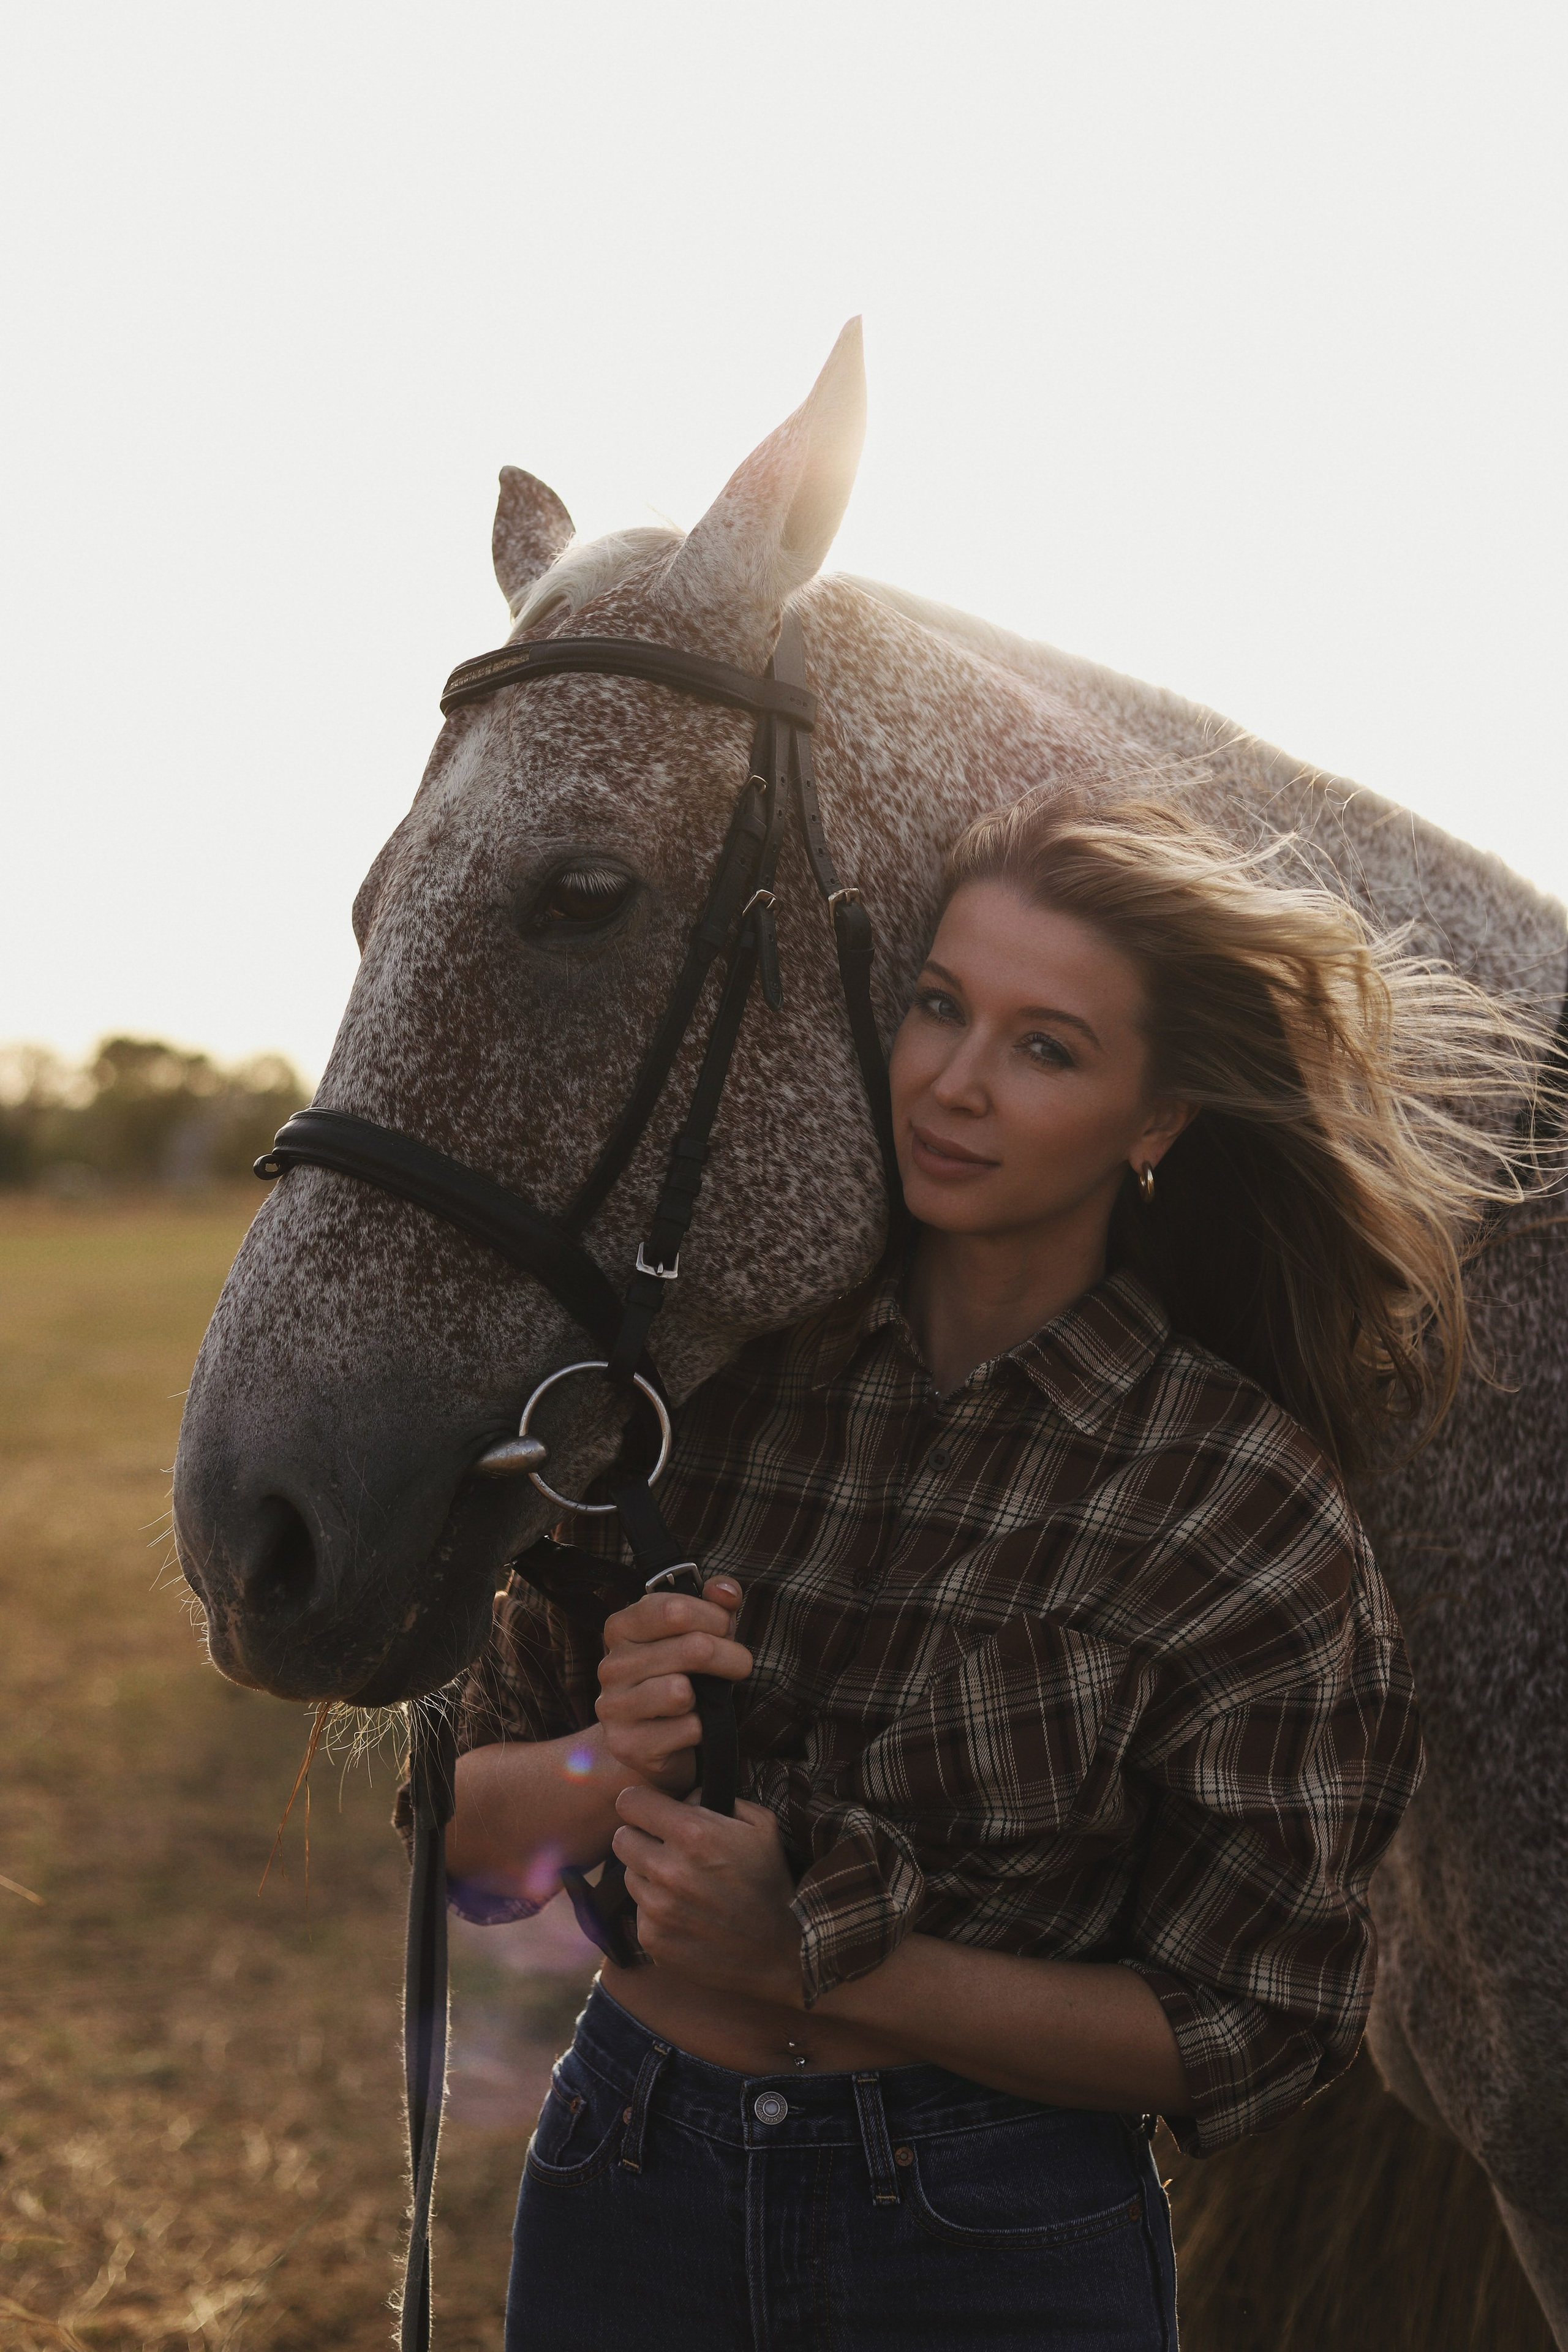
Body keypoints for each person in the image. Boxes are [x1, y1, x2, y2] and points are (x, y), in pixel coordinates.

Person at [435, 793, 1537, 2350]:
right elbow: (461, 1852)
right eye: (940, 1007)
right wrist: (607, 1762)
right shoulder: (710, 1393)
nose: (953, 1082)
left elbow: (1252, 2024)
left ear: (1153, 1121)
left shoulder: (1231, 1502)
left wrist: (817, 1963)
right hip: (627, 2171)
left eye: (1045, 1048)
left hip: (984, 2230)